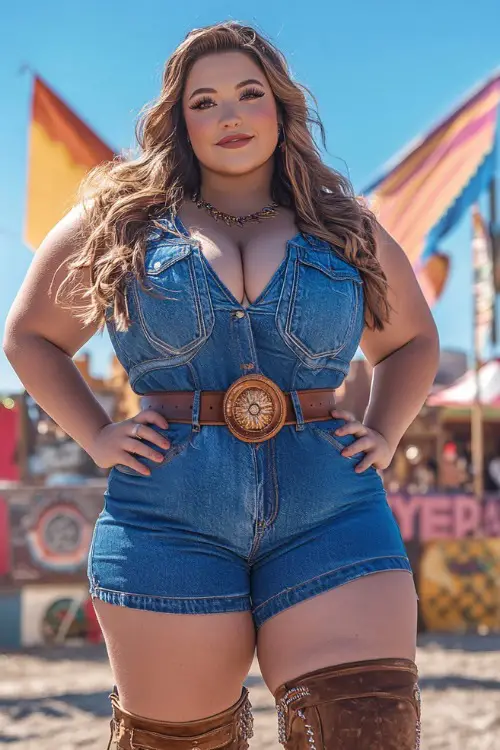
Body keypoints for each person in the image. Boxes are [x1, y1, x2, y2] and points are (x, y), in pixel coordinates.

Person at [3, 21, 439, 749]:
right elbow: (30, 337)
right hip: (167, 517)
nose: (230, 115)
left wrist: (386, 431)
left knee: (366, 727)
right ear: (179, 119)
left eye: (249, 94)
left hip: (332, 508)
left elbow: (413, 341)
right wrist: (99, 436)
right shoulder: (120, 224)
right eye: (204, 102)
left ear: (282, 108)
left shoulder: (343, 225)